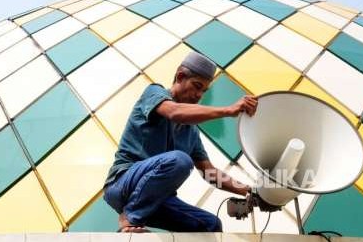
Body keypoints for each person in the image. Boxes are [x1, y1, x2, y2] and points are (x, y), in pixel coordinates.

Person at [103, 51, 258, 233]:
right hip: (123, 184)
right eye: (196, 86)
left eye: (204, 91)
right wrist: (227, 110)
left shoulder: (191, 131)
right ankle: (130, 218)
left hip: (156, 199)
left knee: (211, 225)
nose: (199, 95)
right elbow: (174, 112)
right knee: (180, 160)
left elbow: (210, 173)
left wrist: (249, 191)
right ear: (180, 76)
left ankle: (135, 214)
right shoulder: (154, 93)